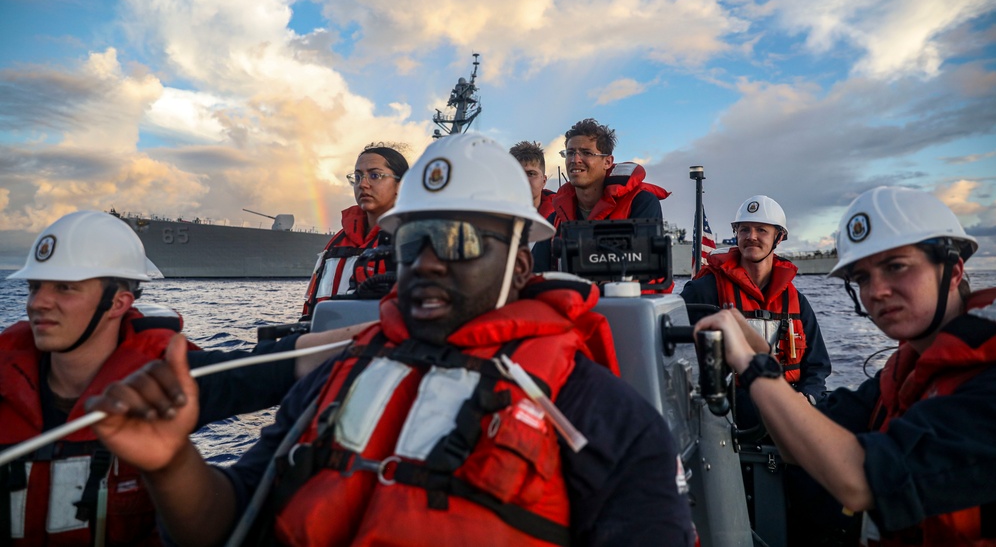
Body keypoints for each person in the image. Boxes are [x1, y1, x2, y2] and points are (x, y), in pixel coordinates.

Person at [85, 133, 696, 546]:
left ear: (520, 264)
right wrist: (171, 464)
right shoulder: (341, 376)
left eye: (457, 241)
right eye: (411, 241)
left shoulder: (604, 418)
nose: (427, 262)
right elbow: (226, 518)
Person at [0, 210, 349, 546]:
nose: (38, 303)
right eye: (34, 287)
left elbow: (281, 362)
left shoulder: (167, 383)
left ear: (119, 303)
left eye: (64, 288)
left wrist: (383, 330)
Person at [693, 186, 996, 546]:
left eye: (896, 267)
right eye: (863, 278)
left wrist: (751, 365)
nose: (877, 291)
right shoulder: (901, 375)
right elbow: (794, 448)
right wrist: (763, 360)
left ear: (953, 269)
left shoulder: (988, 379)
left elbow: (860, 480)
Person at [681, 195, 830, 411]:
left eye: (761, 230)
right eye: (744, 230)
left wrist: (807, 397)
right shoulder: (704, 291)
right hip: (732, 411)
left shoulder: (796, 301)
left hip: (790, 406)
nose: (751, 237)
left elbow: (817, 365)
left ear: (778, 238)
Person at [535, 118, 669, 272]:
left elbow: (647, 271)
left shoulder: (642, 203)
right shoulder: (556, 221)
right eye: (570, 153)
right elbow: (536, 275)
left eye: (586, 153)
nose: (575, 160)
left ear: (608, 162)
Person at [301, 144, 409, 318]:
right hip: (323, 339)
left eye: (375, 175)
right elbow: (311, 303)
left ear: (401, 185)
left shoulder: (411, 240)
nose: (363, 184)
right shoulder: (337, 243)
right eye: (358, 177)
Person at [509, 140, 556, 218]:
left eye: (531, 174)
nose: (524, 180)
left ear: (544, 181)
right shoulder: (493, 214)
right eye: (517, 174)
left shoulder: (561, 217)